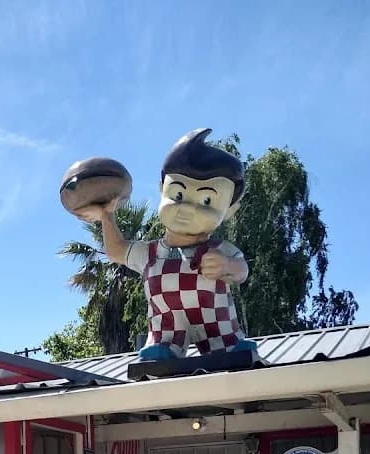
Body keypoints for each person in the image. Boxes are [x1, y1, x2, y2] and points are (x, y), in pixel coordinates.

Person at [77, 128, 256, 362]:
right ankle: (164, 345)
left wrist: (227, 265)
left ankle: (226, 345)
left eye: (206, 201)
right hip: (168, 326)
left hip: (216, 323)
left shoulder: (220, 249)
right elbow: (117, 251)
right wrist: (106, 216)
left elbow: (242, 270)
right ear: (162, 189)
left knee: (226, 345)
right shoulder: (149, 252)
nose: (187, 208)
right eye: (178, 195)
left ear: (229, 210)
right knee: (161, 344)